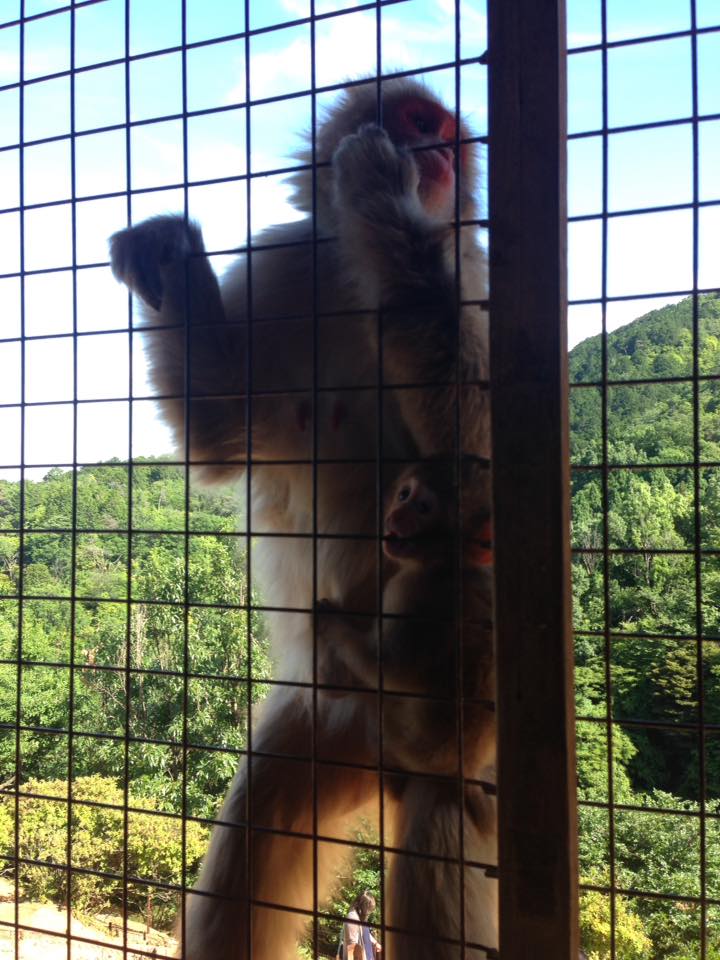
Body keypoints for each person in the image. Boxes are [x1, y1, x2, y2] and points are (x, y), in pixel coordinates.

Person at [338, 891, 382, 960]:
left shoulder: (362, 917)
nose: (370, 912)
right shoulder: (352, 917)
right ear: (363, 907)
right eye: (369, 909)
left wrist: (375, 943)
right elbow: (352, 946)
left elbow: (366, 933)